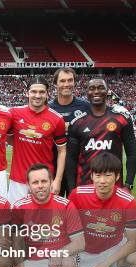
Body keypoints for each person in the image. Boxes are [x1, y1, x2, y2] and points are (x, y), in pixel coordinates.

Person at [66, 78, 136, 267]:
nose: (96, 91)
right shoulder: (79, 122)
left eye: (100, 88)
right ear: (86, 93)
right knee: (84, 229)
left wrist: (129, 183)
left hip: (112, 186)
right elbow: (71, 158)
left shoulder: (121, 119)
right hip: (85, 185)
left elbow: (132, 152)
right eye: (91, 88)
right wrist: (71, 188)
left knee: (116, 227)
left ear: (108, 92)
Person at [8, 164, 85, 267]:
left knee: (68, 264)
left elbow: (80, 242)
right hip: (35, 261)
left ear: (51, 182)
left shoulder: (65, 205)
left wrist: (59, 253)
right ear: (28, 186)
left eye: (44, 181)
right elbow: (16, 243)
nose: (40, 185)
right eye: (35, 182)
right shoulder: (19, 206)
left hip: (61, 261)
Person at [7, 77, 66, 206]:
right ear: (27, 93)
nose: (37, 96)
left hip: (43, 180)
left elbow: (62, 151)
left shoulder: (57, 119)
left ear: (47, 94)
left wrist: (57, 180)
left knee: (43, 222)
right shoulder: (14, 113)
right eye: (33, 92)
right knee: (16, 222)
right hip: (18, 180)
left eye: (41, 92)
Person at [48, 67, 90, 197]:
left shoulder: (86, 107)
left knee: (78, 209)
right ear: (55, 84)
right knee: (54, 210)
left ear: (74, 82)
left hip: (79, 167)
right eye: (62, 81)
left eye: (70, 80)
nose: (66, 84)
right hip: (54, 167)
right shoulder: (47, 108)